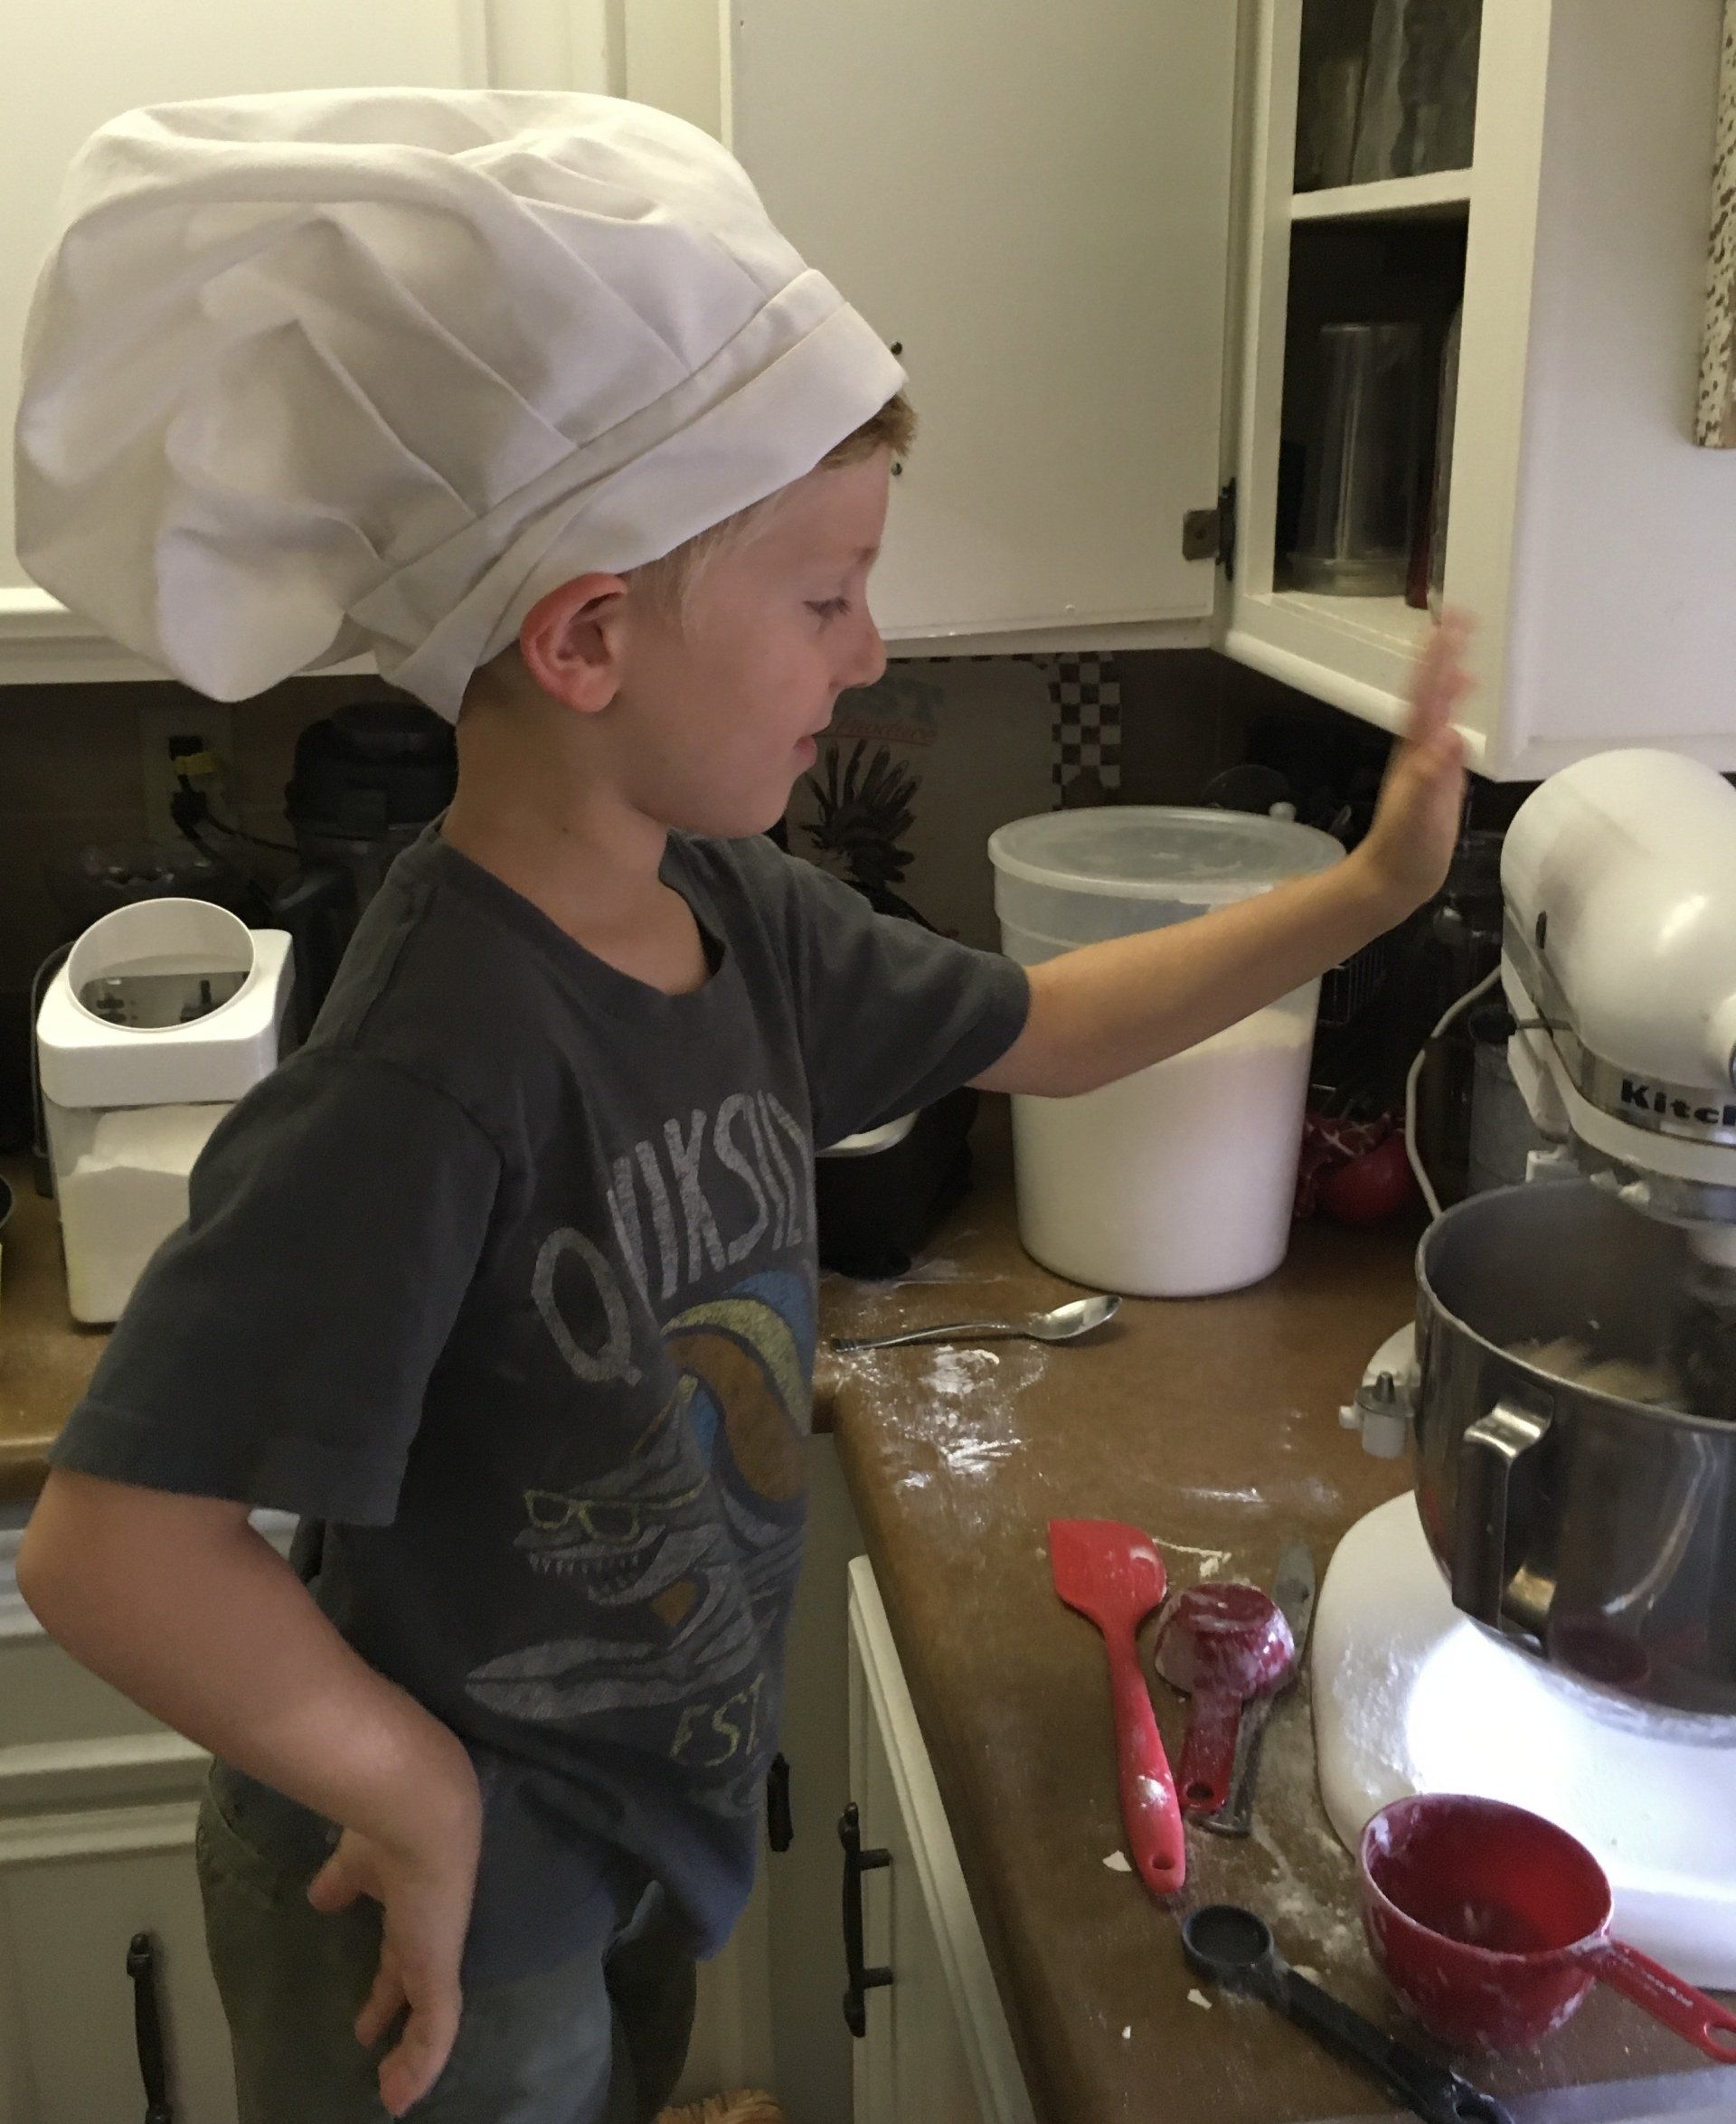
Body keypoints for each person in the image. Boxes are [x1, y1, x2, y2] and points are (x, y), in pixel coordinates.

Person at [12, 89, 1470, 2124]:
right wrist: (418, 1789)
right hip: (418, 1905)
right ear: (591, 634)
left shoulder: (728, 908)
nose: (869, 655)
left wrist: (1367, 895)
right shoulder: (427, 1071)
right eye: (824, 596)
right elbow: (112, 1549)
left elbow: (1040, 1025)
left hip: (624, 1833)